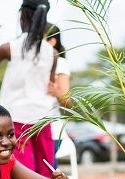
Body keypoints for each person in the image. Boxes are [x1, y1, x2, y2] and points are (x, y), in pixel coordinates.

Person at [0, 0, 57, 177]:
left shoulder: (9, 48)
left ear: (22, 15)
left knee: (23, 172)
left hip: (18, 118)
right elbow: (51, 87)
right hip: (44, 117)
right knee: (47, 171)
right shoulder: (52, 52)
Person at [45, 22, 72, 167]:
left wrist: (56, 92)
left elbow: (67, 102)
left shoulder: (60, 63)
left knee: (47, 173)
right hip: (31, 127)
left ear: (52, 41)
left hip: (51, 130)